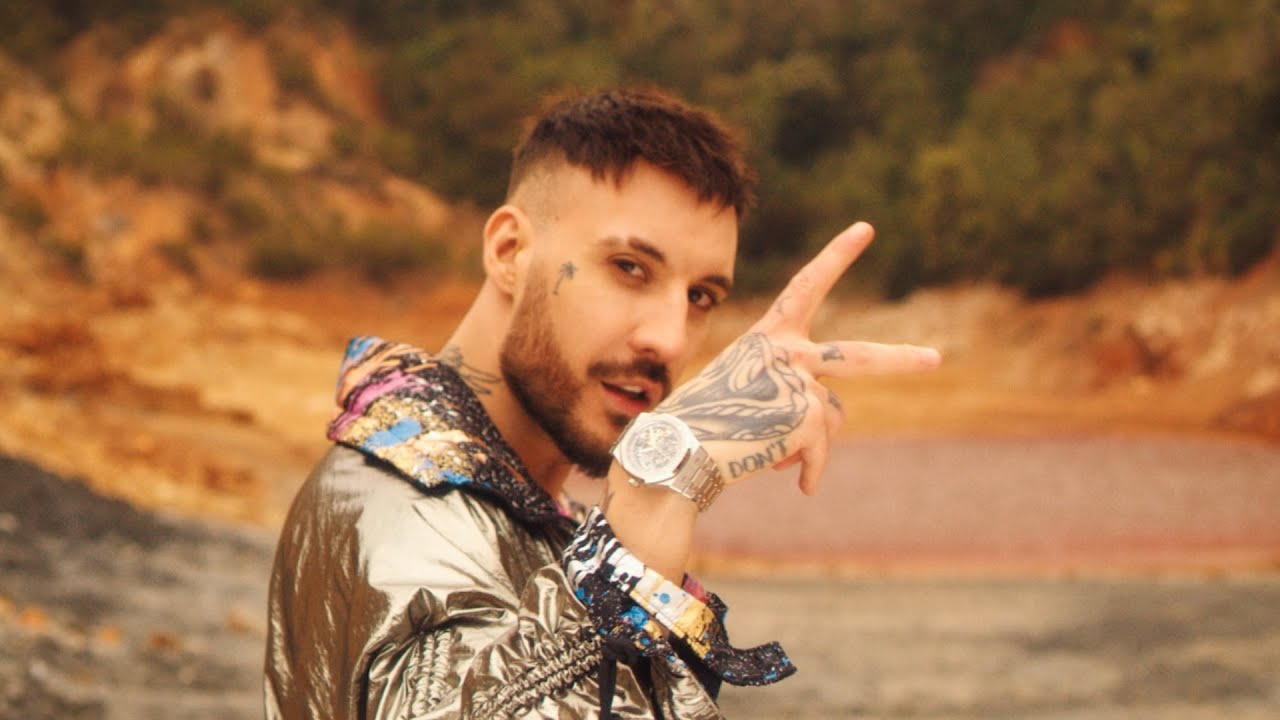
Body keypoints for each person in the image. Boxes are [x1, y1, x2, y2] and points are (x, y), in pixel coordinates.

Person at [264, 87, 940, 718]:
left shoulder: (529, 513)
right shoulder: (395, 511)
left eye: (700, 297)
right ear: (510, 251)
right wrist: (652, 500)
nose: (669, 339)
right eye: (630, 268)